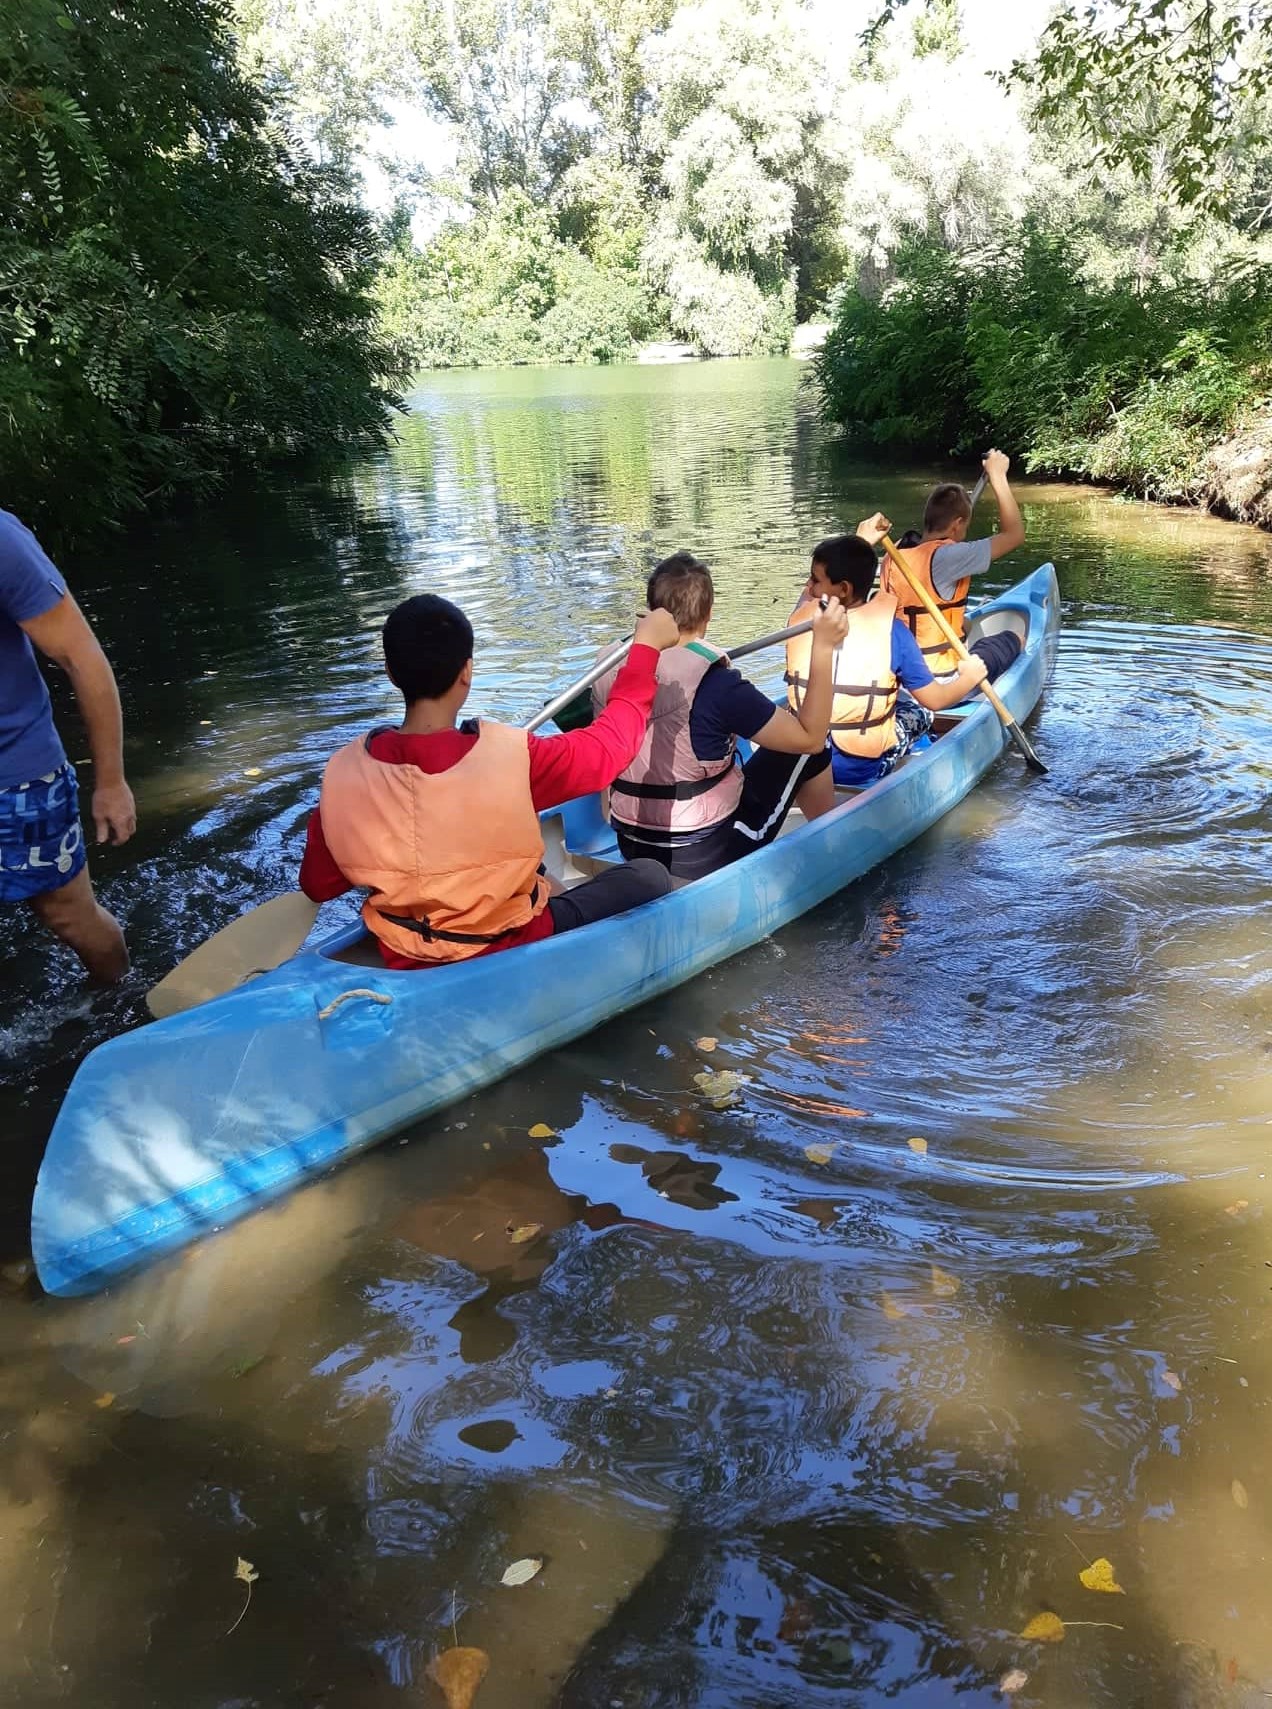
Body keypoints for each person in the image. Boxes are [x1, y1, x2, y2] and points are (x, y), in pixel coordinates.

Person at [299, 593, 680, 966]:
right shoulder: (514, 757)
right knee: (649, 875)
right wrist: (645, 647)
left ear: (391, 673)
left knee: (532, 866)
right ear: (467, 672)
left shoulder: (343, 772)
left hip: (403, 950)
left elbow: (319, 885)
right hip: (512, 940)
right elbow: (609, 748)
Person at [591, 552, 851, 881]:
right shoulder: (720, 685)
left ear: (652, 610)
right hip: (705, 855)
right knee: (812, 748)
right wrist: (824, 646)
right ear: (709, 613)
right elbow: (809, 738)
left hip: (630, 841)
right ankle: (836, 852)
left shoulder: (609, 670)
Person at [1, 509, 134, 981]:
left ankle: (119, 996)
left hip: (18, 777)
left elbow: (82, 657)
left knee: (69, 916)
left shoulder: (2, 541)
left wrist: (111, 783)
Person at [786, 531, 988, 789]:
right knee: (921, 712)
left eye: (815, 580)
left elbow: (806, 599)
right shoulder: (893, 632)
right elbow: (936, 700)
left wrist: (862, 540)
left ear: (844, 588)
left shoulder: (799, 621)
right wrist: (969, 678)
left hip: (803, 758)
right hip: (857, 769)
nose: (809, 586)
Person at [881, 447, 1025, 680]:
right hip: (940, 675)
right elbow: (1014, 535)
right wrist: (998, 476)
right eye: (965, 527)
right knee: (1016, 638)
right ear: (957, 525)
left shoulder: (895, 552)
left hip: (899, 670)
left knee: (966, 624)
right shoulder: (949, 556)